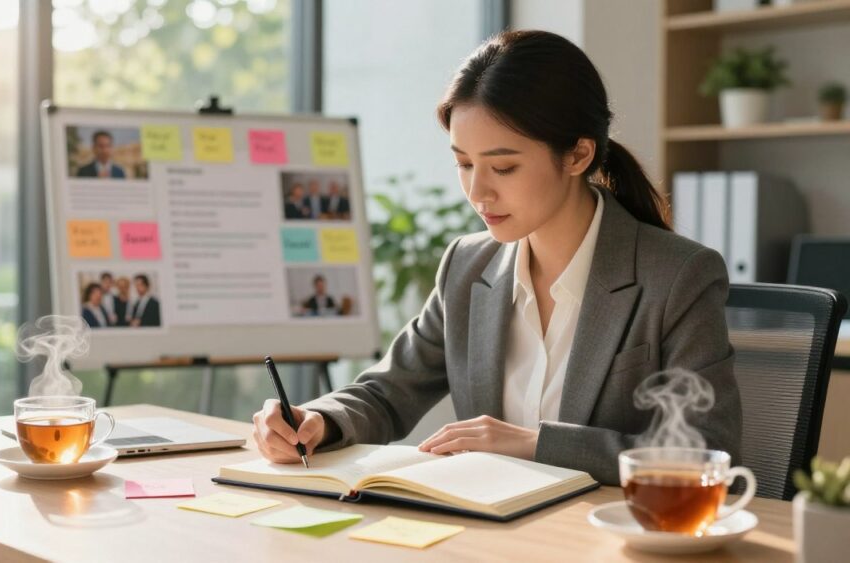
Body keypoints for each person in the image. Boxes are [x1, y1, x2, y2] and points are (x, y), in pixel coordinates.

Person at [251, 30, 742, 486]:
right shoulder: (467, 265)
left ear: (577, 155)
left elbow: (706, 452)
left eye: (503, 167)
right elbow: (387, 392)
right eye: (463, 163)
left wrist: (535, 445)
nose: (477, 191)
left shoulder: (677, 275)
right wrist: (318, 420)